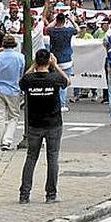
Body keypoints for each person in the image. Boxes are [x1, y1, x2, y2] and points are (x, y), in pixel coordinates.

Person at [19, 49, 70, 204]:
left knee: (31, 157)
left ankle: (24, 194)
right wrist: (56, 65)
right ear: (49, 61)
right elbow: (67, 81)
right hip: (53, 124)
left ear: (36, 61)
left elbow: (22, 81)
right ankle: (51, 194)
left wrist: (33, 65)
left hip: (34, 124)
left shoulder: (30, 79)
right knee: (52, 158)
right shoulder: (54, 78)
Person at [0, 34, 25, 150]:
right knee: (14, 116)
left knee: (0, 116)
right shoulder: (20, 57)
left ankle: (2, 141)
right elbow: (21, 74)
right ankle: (7, 140)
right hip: (14, 89)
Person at [45, 13, 77, 111]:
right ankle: (62, 104)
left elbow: (47, 28)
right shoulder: (68, 30)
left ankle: (55, 103)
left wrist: (55, 20)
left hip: (55, 59)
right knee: (64, 83)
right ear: (64, 21)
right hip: (66, 60)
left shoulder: (52, 31)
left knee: (54, 83)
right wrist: (71, 20)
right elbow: (78, 29)